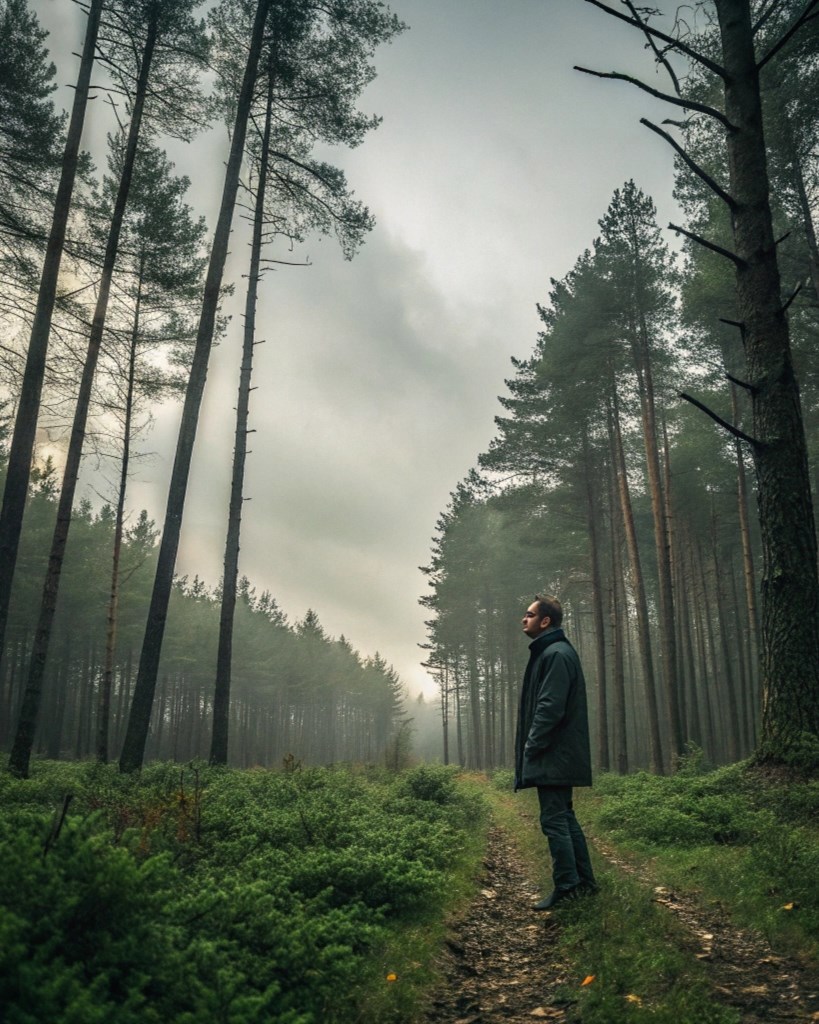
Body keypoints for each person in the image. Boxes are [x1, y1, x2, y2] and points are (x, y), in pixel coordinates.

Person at [514, 595, 597, 910]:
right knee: (564, 817)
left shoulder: (556, 654)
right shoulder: (552, 652)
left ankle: (567, 886)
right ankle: (584, 885)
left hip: (553, 753)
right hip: (557, 752)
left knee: (554, 819)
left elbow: (549, 707)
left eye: (529, 614)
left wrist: (532, 745)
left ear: (545, 621)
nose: (524, 619)